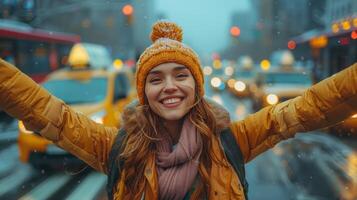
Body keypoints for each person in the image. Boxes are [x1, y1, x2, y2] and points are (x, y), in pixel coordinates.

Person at [0, 21, 356, 200]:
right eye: (156, 79)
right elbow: (48, 113)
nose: (169, 86)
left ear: (197, 86)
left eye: (180, 75)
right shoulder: (118, 148)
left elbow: (308, 108)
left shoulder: (232, 140)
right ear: (144, 92)